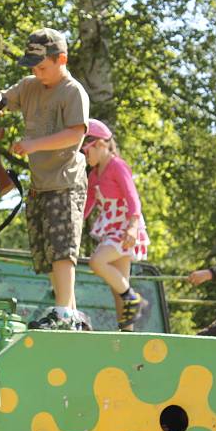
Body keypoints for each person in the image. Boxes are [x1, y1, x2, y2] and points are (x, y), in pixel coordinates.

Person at [0, 27, 89, 330]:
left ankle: (65, 314)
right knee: (45, 252)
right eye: (33, 67)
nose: (37, 72)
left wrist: (33, 145)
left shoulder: (72, 92)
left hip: (65, 180)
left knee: (62, 248)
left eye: (42, 67)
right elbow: (6, 95)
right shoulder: (31, 85)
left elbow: (75, 133)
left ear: (62, 60)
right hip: (40, 184)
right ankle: (68, 312)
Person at [82, 119, 150, 330]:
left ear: (101, 144)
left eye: (87, 151)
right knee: (117, 286)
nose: (85, 156)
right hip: (111, 228)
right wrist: (75, 223)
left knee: (97, 262)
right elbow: (89, 204)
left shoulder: (117, 166)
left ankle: (134, 297)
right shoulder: (94, 175)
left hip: (125, 227)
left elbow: (133, 198)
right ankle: (127, 331)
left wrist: (132, 226)